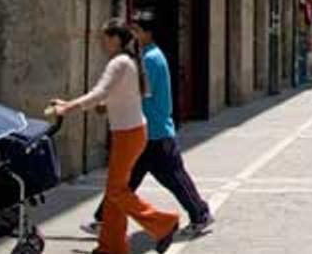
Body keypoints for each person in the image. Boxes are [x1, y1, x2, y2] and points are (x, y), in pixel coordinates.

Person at [52, 21, 179, 254]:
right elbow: (116, 95)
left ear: (115, 39)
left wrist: (67, 108)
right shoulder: (129, 61)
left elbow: (100, 92)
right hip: (131, 132)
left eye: (104, 38)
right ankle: (112, 247)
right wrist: (86, 104)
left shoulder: (119, 63)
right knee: (114, 192)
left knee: (117, 192)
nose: (102, 43)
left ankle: (163, 223)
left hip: (128, 134)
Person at [81, 22, 213, 239]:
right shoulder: (149, 56)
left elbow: (137, 92)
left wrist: (106, 104)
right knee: (124, 181)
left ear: (147, 33)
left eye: (137, 30)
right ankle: (103, 219)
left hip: (155, 132)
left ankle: (200, 213)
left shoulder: (149, 59)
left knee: (174, 178)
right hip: (146, 130)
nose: (133, 35)